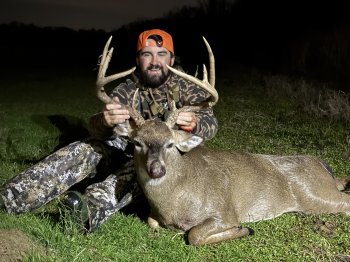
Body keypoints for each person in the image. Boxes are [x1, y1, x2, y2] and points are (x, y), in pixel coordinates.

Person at [0, 29, 218, 231]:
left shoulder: (189, 89)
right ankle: (12, 196)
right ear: (137, 60)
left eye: (162, 54)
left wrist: (196, 124)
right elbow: (98, 131)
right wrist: (104, 121)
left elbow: (211, 125)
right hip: (125, 149)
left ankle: (84, 211)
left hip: (164, 163)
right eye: (146, 54)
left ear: (171, 59)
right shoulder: (127, 90)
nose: (154, 61)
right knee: (87, 148)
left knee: (138, 169)